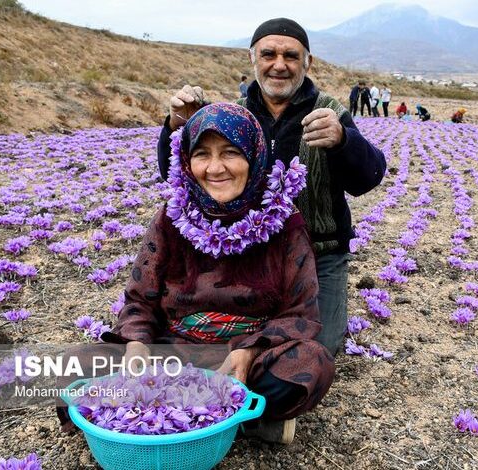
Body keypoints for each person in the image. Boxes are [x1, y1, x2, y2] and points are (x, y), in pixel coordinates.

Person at [58, 103, 335, 445]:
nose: (215, 168)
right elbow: (139, 299)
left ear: (255, 156)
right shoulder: (171, 218)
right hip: (174, 352)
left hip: (249, 355)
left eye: (231, 152)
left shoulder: (284, 222)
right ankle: (238, 420)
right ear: (187, 162)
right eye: (202, 154)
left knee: (311, 362)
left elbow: (300, 311)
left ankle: (172, 414)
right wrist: (136, 345)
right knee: (74, 364)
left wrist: (248, 352)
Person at [157, 18, 386, 357]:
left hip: (320, 251)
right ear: (253, 60)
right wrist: (179, 125)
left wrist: (343, 141)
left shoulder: (331, 112)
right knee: (217, 339)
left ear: (307, 63)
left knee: (314, 348)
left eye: (291, 56)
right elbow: (178, 173)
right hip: (250, 252)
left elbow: (368, 177)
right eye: (269, 54)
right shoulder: (235, 114)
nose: (279, 65)